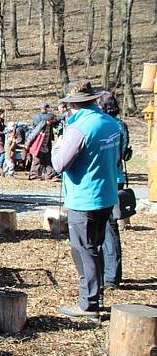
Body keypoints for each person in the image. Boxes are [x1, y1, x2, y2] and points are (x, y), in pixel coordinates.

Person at [53, 81, 120, 321]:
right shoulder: (111, 123)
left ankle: (89, 304)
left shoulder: (79, 128)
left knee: (85, 249)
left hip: (84, 198)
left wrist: (57, 146)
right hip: (107, 195)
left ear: (72, 105)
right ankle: (96, 295)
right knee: (96, 246)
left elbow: (59, 164)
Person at [96, 91, 128, 290]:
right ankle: (109, 272)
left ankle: (111, 276)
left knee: (109, 227)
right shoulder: (120, 126)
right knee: (108, 227)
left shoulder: (109, 126)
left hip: (110, 180)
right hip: (115, 178)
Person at [26, 113, 58, 181]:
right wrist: (27, 144)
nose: (55, 120)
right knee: (37, 161)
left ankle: (50, 175)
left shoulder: (50, 125)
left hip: (45, 147)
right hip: (38, 146)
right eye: (53, 119)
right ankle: (33, 176)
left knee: (48, 161)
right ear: (50, 119)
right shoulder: (42, 125)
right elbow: (33, 134)